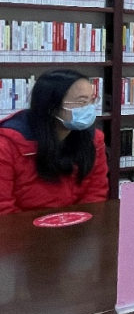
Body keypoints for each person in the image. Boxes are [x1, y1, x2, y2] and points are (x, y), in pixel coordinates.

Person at [0, 70, 109, 215]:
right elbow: (3, 208)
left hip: (78, 225)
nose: (89, 108)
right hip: (23, 227)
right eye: (82, 102)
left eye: (92, 100)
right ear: (51, 107)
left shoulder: (94, 140)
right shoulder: (6, 145)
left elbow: (96, 193)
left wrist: (80, 223)